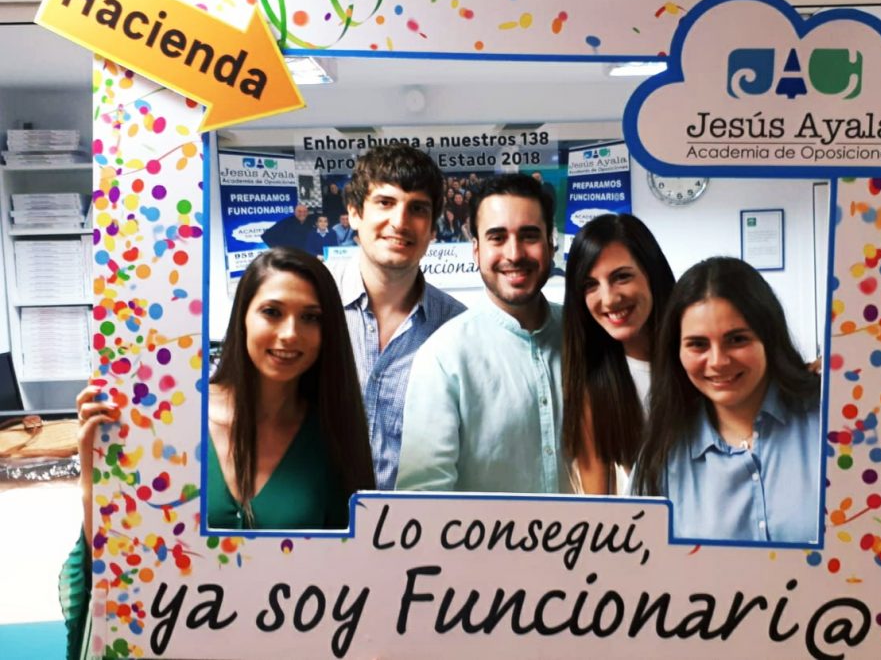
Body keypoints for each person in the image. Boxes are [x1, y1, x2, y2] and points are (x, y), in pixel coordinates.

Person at [65, 248, 376, 658]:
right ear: (242, 317)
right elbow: (114, 559)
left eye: (311, 318)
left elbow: (351, 581)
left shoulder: (333, 437)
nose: (290, 333)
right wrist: (94, 482)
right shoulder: (169, 421)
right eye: (272, 312)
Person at [397, 172, 571, 493]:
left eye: (529, 236)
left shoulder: (586, 336)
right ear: (476, 250)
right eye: (497, 237)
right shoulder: (444, 357)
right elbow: (422, 499)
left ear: (550, 244)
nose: (514, 254)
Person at [632, 256, 823, 542]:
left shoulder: (830, 419)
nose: (718, 361)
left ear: (768, 338)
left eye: (737, 339)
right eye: (698, 344)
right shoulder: (660, 453)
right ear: (676, 352)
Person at [340, 143, 466, 490]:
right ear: (354, 213)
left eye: (418, 208)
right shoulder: (311, 307)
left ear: (432, 228)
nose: (400, 222)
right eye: (385, 202)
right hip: (315, 520)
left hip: (415, 521)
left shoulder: (458, 329)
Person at [562, 214, 675, 494]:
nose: (609, 299)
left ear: (652, 273)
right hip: (648, 520)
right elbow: (599, 503)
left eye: (622, 277)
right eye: (590, 285)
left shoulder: (699, 359)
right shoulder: (593, 384)